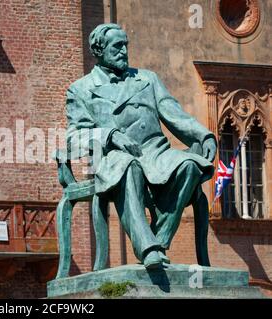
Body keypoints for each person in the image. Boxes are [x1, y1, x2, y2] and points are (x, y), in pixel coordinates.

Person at [65, 24, 217, 269]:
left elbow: (175, 115)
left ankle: (159, 239)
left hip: (156, 152)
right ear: (99, 50)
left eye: (126, 45)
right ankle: (147, 249)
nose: (124, 51)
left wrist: (204, 136)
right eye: (117, 46)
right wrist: (110, 135)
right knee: (130, 167)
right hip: (115, 156)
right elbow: (74, 136)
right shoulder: (81, 89)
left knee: (189, 165)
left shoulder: (147, 79)